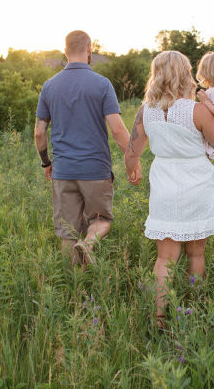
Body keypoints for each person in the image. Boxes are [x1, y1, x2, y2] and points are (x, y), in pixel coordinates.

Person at [124, 51, 214, 326]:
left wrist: (132, 169)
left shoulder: (145, 111)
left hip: (164, 184)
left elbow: (132, 149)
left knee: (165, 258)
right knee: (196, 253)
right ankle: (195, 307)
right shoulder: (198, 110)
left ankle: (159, 315)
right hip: (196, 183)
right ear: (185, 75)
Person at [34, 30, 139, 265]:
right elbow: (118, 130)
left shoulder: (49, 86)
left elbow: (39, 132)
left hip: (63, 171)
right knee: (100, 221)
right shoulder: (102, 84)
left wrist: (46, 162)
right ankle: (89, 244)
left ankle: (74, 289)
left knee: (67, 233)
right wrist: (133, 158)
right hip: (95, 170)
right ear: (89, 48)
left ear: (65, 51)